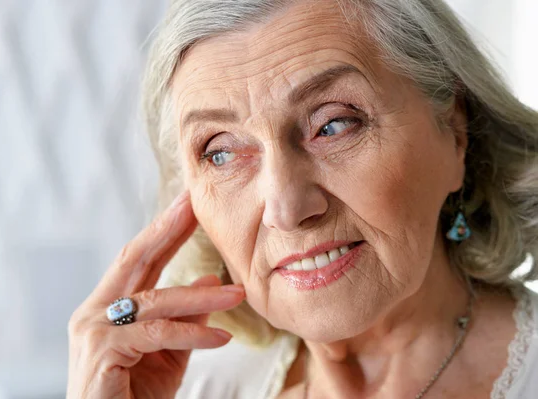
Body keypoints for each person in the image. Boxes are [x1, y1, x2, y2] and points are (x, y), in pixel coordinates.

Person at [66, 0, 538, 397]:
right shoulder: (194, 386)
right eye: (222, 153)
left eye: (333, 124)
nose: (286, 209)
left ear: (454, 130)